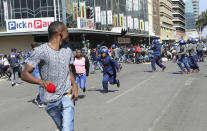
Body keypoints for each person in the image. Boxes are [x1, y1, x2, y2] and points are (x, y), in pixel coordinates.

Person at [21, 21, 78, 131]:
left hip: (67, 95)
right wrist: (41, 82)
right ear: (60, 33)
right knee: (63, 128)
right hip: (51, 100)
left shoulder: (68, 51)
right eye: (67, 31)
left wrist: (74, 84)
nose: (68, 34)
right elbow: (24, 74)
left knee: (67, 129)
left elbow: (69, 70)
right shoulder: (40, 51)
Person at [26, 42, 46, 107]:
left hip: (38, 71)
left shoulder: (31, 52)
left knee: (44, 85)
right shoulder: (34, 52)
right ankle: (40, 102)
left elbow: (25, 61)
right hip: (36, 71)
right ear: (36, 46)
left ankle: (38, 98)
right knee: (42, 85)